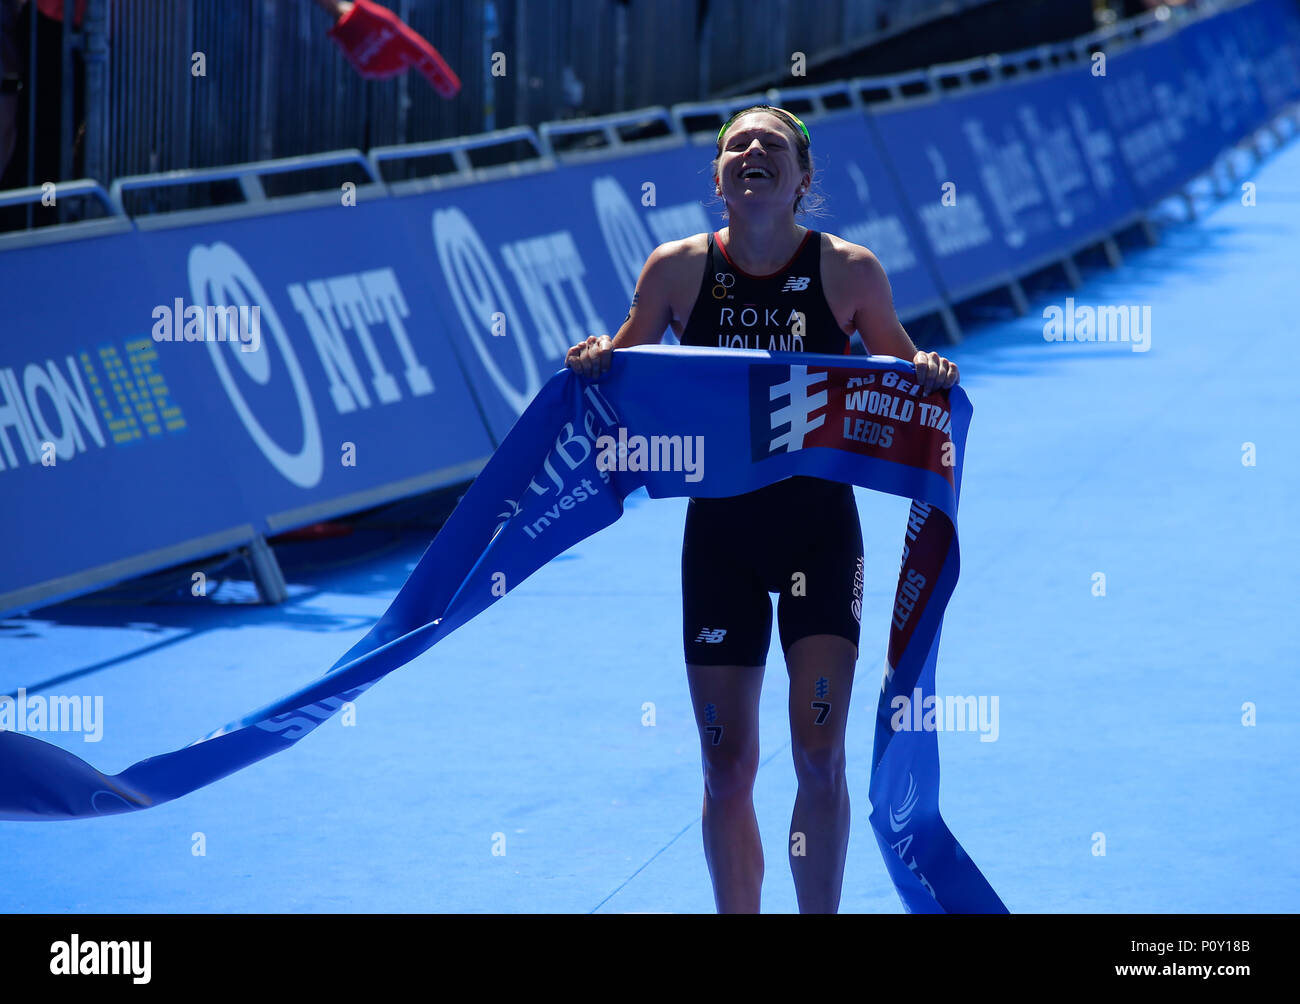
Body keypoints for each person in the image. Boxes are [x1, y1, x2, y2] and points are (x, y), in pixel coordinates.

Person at [565, 105, 959, 914]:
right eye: (737, 145)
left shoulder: (849, 271)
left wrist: (930, 370)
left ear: (802, 179)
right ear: (717, 178)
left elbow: (901, 365)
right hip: (720, 542)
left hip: (818, 533)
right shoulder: (675, 271)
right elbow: (625, 359)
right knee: (726, 766)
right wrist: (600, 355)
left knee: (819, 756)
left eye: (772, 146)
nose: (753, 153)